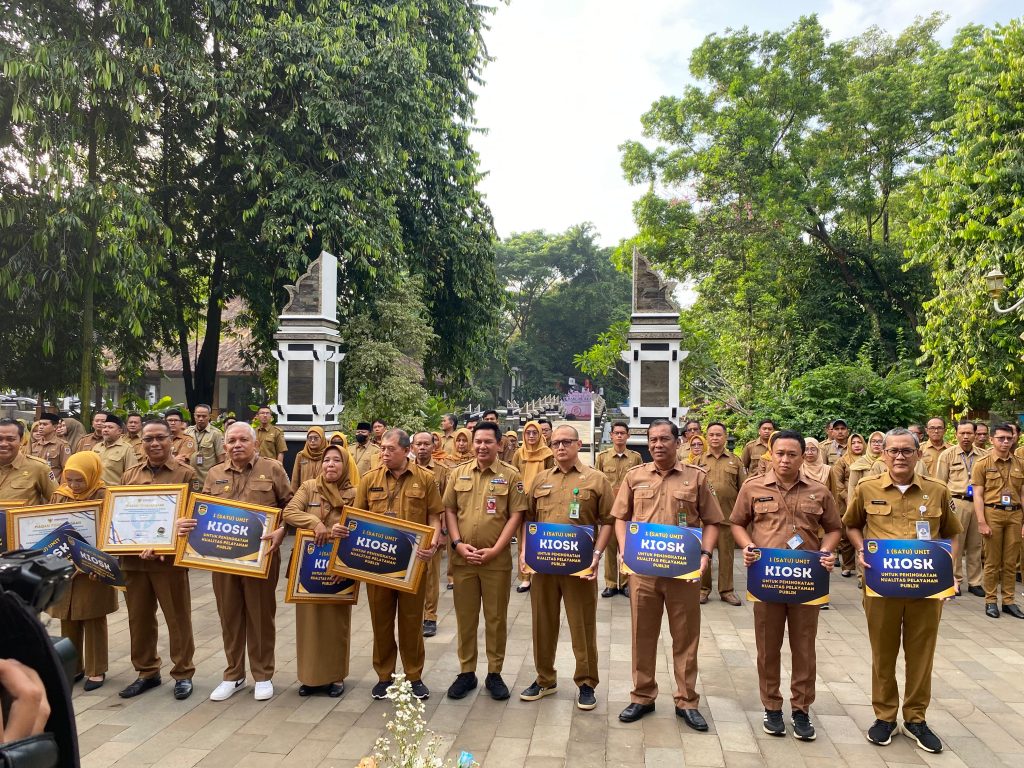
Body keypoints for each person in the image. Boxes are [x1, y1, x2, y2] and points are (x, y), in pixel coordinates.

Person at [845, 428, 961, 754]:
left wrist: (947, 567)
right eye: (893, 451)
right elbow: (851, 524)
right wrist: (860, 550)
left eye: (906, 451)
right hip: (881, 586)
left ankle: (915, 718)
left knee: (921, 654)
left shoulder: (937, 491)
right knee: (883, 652)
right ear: (883, 455)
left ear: (918, 454)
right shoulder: (868, 489)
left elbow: (952, 533)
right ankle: (884, 716)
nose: (899, 456)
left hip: (926, 587)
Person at [731, 430, 842, 741]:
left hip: (806, 581)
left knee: (804, 647)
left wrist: (827, 551)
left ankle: (801, 709)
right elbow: (737, 523)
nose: (785, 459)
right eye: (779, 453)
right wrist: (748, 546)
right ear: (771, 453)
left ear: (802, 455)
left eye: (792, 454)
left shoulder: (819, 491)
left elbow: (834, 528)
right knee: (768, 646)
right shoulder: (753, 487)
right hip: (767, 579)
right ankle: (772, 706)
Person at [612, 419, 723, 730]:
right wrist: (624, 548)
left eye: (664, 439)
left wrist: (705, 555)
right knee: (641, 634)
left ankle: (686, 700)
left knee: (685, 637)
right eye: (652, 439)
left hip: (683, 573)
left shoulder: (697, 478)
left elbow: (713, 521)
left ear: (678, 442)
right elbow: (620, 517)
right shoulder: (634, 477)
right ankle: (642, 696)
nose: (657, 444)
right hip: (643, 572)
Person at [179, 422, 292, 702]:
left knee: (261, 616)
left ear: (255, 443)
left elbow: (290, 505)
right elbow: (203, 510)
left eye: (243, 440)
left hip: (261, 557)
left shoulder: (272, 469)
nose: (237, 445)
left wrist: (283, 529)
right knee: (229, 616)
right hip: (223, 557)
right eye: (231, 441)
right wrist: (185, 522)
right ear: (225, 445)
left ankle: (263, 675)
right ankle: (234, 675)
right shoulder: (215, 473)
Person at [519, 425, 613, 711]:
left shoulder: (596, 480)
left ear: (579, 444)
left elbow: (608, 521)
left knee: (582, 624)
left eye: (566, 442)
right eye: (556, 442)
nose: (561, 447)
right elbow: (528, 521)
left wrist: (598, 554)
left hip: (580, 568)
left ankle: (586, 682)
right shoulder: (540, 481)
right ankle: (544, 678)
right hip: (544, 566)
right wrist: (524, 552)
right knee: (542, 623)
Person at [355, 429, 443, 700]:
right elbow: (357, 518)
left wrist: (433, 543)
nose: (384, 453)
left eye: (390, 449)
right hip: (378, 563)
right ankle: (385, 676)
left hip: (413, 564)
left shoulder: (425, 479)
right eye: (382, 448)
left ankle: (414, 676)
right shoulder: (369, 480)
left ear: (407, 451)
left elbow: (434, 517)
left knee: (411, 622)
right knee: (380, 622)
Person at [443, 422, 528, 701]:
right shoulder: (458, 474)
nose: (481, 446)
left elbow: (516, 516)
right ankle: (466, 672)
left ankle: (495, 673)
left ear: (499, 444)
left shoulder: (511, 476)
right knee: (466, 618)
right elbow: (450, 511)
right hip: (464, 559)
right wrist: (457, 544)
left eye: (487, 442)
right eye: (477, 441)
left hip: (496, 561)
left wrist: (496, 549)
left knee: (495, 618)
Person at [118, 418, 197, 700]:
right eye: (148, 439)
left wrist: (175, 533)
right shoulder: (129, 475)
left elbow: (195, 517)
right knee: (139, 618)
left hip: (168, 560)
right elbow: (122, 514)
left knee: (177, 616)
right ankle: (147, 671)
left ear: (171, 440)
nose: (154, 444)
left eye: (160, 438)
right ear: (141, 443)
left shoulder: (186, 475)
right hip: (134, 560)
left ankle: (183, 672)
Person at [282, 444, 356, 697]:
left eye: (337, 460)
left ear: (345, 465)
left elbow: (361, 524)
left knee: (336, 623)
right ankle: (310, 677)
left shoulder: (354, 492)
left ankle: (336, 676)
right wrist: (315, 523)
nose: (330, 465)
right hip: (308, 565)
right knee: (309, 623)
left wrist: (341, 530)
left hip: (338, 565)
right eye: (327, 460)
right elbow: (290, 512)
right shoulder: (309, 486)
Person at [49, 451, 118, 691]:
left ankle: (96, 670)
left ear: (93, 473)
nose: (75, 486)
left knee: (93, 616)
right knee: (68, 617)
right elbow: (48, 524)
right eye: (70, 479)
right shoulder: (59, 495)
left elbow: (111, 529)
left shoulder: (104, 494)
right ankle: (74, 667)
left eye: (80, 480)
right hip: (65, 566)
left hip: (93, 566)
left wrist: (93, 559)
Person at [971, 422, 1024, 619]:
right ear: (992, 439)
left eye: (1009, 438)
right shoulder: (982, 463)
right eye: (1001, 438)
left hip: (1015, 514)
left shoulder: (1019, 463)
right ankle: (991, 600)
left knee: (1010, 561)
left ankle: (1009, 601)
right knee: (992, 561)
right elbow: (978, 495)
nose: (1005, 442)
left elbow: (1022, 492)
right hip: (992, 512)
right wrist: (981, 521)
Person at [695, 423, 746, 606]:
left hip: (727, 517)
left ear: (725, 437)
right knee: (703, 555)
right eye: (711, 435)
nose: (715, 438)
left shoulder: (736, 461)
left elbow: (743, 489)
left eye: (718, 435)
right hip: (704, 519)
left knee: (727, 556)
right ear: (706, 437)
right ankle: (702, 589)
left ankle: (727, 591)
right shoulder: (698, 461)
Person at [934, 420, 985, 598]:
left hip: (978, 503)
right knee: (956, 543)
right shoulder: (947, 455)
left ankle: (975, 582)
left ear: (975, 434)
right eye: (962, 433)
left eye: (969, 433)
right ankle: (955, 580)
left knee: (976, 544)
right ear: (956, 434)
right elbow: (939, 482)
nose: (965, 437)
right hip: (956, 502)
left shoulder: (983, 456)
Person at [594, 421, 643, 598]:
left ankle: (624, 582)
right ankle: (610, 583)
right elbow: (597, 482)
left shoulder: (635, 457)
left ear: (628, 435)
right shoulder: (602, 457)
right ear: (611, 435)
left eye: (623, 433)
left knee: (627, 547)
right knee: (610, 547)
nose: (620, 436)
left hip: (628, 510)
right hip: (609, 509)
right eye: (616, 433)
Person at [411, 431, 449, 638]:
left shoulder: (442, 471)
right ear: (412, 448)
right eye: (419, 444)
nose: (423, 447)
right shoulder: (406, 469)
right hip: (411, 531)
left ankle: (430, 616)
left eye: (427, 444)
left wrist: (443, 532)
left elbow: (447, 503)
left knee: (431, 577)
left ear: (434, 447)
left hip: (433, 532)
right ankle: (414, 614)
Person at [511, 421, 555, 593]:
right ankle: (525, 578)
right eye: (528, 433)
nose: (531, 436)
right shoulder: (518, 454)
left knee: (540, 537)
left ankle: (540, 573)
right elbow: (514, 476)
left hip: (542, 499)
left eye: (534, 433)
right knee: (523, 539)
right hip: (522, 500)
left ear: (540, 435)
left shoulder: (548, 453)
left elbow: (552, 476)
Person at [829, 434, 866, 577]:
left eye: (859, 442)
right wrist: (846, 497)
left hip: (864, 501)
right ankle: (847, 565)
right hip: (846, 502)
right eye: (854, 443)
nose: (857, 445)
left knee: (863, 533)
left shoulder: (870, 460)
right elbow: (837, 483)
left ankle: (861, 566)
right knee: (846, 535)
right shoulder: (842, 461)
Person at [0, 419, 56, 504]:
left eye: (10, 439)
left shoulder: (38, 468)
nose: (3, 444)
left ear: (21, 440)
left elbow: (57, 500)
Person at [185, 404, 224, 492]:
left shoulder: (216, 434)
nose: (201, 419)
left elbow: (221, 459)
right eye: (198, 416)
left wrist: (218, 480)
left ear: (209, 417)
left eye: (204, 416)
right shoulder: (187, 432)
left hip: (207, 480)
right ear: (194, 416)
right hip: (189, 480)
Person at [93, 413, 135, 485]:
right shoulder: (96, 447)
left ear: (119, 431)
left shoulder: (127, 449)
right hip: (95, 491)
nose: (105, 430)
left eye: (110, 427)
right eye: (104, 427)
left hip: (114, 492)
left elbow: (132, 475)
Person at [27, 413, 70, 483]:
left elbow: (66, 468)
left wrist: (61, 488)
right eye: (40, 424)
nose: (40, 427)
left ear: (55, 427)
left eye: (45, 424)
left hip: (53, 484)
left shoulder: (62, 445)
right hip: (36, 484)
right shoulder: (34, 445)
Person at [291, 426, 326, 492]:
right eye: (310, 438)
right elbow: (295, 479)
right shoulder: (301, 455)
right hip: (304, 494)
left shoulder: (327, 455)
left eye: (316, 438)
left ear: (322, 439)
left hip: (323, 494)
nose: (312, 441)